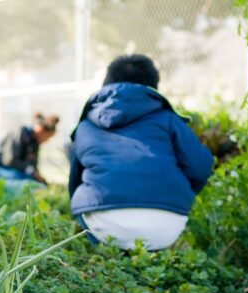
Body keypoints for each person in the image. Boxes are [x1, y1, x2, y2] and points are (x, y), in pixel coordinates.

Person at [69, 54, 213, 250]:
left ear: (106, 83)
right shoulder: (169, 119)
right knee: (158, 241)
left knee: (84, 199)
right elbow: (201, 167)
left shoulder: (86, 125)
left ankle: (108, 261)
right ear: (153, 86)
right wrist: (177, 193)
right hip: (166, 223)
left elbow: (74, 182)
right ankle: (154, 261)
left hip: (103, 223)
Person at [0, 113, 59, 184]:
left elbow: (33, 164)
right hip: (1, 167)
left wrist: (39, 177)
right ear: (40, 129)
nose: (46, 141)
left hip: (18, 170)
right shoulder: (21, 132)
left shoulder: (35, 142)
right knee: (25, 181)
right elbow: (9, 160)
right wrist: (30, 171)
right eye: (47, 137)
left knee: (38, 183)